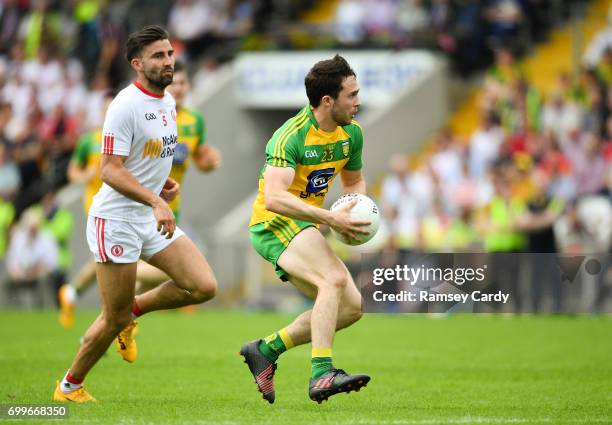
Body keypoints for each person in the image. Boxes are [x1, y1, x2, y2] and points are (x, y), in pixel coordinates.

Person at [53, 25, 217, 403]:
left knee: (203, 286)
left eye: (170, 53)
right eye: (158, 56)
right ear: (137, 63)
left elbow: (144, 162)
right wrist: (157, 201)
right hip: (116, 221)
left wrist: (161, 188)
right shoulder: (124, 105)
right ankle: (69, 386)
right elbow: (108, 169)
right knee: (112, 317)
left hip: (147, 213)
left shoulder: (168, 103)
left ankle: (133, 314)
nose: (168, 61)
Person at [239, 54, 370, 404]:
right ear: (328, 101)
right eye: (352, 95)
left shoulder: (351, 133)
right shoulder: (289, 137)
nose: (358, 102)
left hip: (307, 223)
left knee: (352, 308)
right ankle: (321, 372)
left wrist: (355, 212)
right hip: (274, 224)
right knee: (334, 280)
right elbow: (275, 199)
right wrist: (329, 219)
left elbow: (354, 182)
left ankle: (266, 350)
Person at [58, 60, 222, 325]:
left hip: (167, 202)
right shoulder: (110, 130)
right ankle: (111, 315)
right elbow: (84, 171)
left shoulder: (193, 121)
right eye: (175, 82)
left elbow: (197, 157)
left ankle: (95, 305)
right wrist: (86, 175)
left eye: (183, 83)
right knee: (125, 264)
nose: (178, 88)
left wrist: (208, 162)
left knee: (131, 268)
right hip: (119, 204)